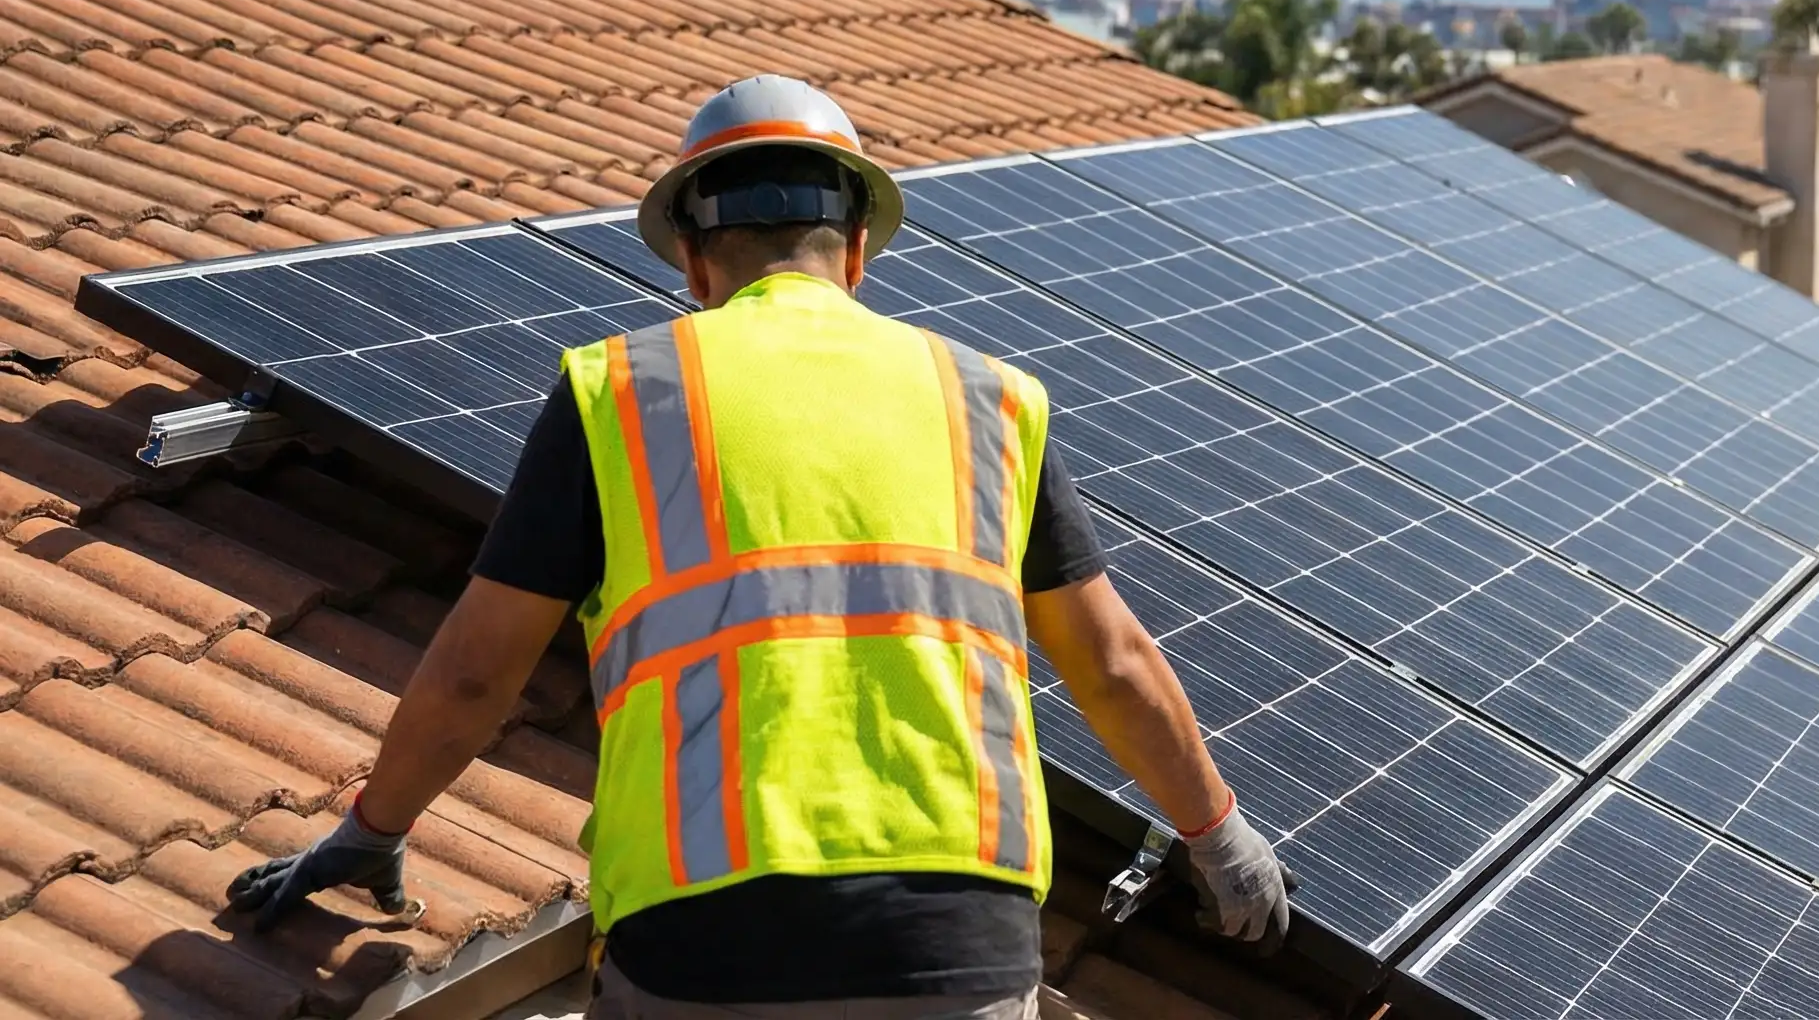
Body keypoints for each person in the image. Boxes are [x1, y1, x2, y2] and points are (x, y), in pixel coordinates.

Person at [229, 76, 1291, 1018]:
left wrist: (374, 826)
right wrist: (1216, 833)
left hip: (705, 940)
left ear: (694, 260)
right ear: (858, 250)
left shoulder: (621, 391)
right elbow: (1110, 662)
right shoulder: (990, 400)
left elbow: (475, 672)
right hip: (956, 938)